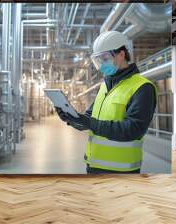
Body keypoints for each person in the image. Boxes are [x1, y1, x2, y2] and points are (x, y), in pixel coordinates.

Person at [56, 31, 157, 174]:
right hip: (93, 165)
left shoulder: (142, 87)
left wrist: (89, 122)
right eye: (98, 60)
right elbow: (89, 120)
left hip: (121, 171)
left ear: (121, 54)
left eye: (105, 58)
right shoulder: (105, 87)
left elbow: (133, 129)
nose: (102, 64)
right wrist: (71, 118)